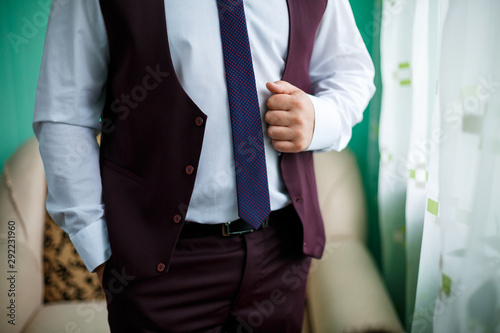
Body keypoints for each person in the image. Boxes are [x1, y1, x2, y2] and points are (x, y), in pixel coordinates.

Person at [34, 0, 375, 331]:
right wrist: (100, 253)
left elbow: (349, 72)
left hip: (281, 251)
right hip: (159, 266)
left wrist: (321, 119)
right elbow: (65, 117)